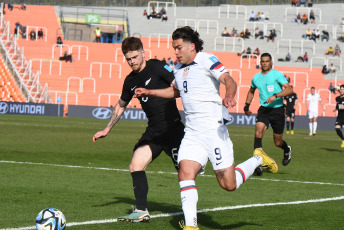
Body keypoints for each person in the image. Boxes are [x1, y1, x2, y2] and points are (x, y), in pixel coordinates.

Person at [134, 26, 275, 230]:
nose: (176, 52)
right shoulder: (178, 69)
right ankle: (191, 226)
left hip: (213, 130)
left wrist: (229, 95)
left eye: (179, 47)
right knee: (185, 172)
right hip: (192, 132)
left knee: (229, 185)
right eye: (174, 48)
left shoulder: (206, 59)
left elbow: (229, 80)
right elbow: (176, 91)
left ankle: (258, 159)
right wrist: (150, 92)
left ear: (192, 46)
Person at [92, 37, 185, 223]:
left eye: (135, 57)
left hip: (173, 129)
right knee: (135, 165)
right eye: (128, 59)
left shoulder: (157, 66)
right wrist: (107, 128)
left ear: (143, 53)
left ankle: (190, 213)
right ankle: (142, 210)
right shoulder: (130, 81)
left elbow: (180, 85)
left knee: (185, 174)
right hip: (154, 132)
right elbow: (120, 105)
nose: (132, 61)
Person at [244, 53, 293, 171]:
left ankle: (287, 149)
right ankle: (257, 163)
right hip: (264, 109)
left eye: (267, 61)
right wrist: (246, 106)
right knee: (258, 132)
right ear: (260, 63)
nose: (264, 63)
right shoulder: (256, 78)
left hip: (278, 110)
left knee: (277, 142)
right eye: (262, 61)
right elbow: (251, 91)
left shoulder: (277, 75)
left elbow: (289, 89)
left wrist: (275, 96)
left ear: (271, 62)